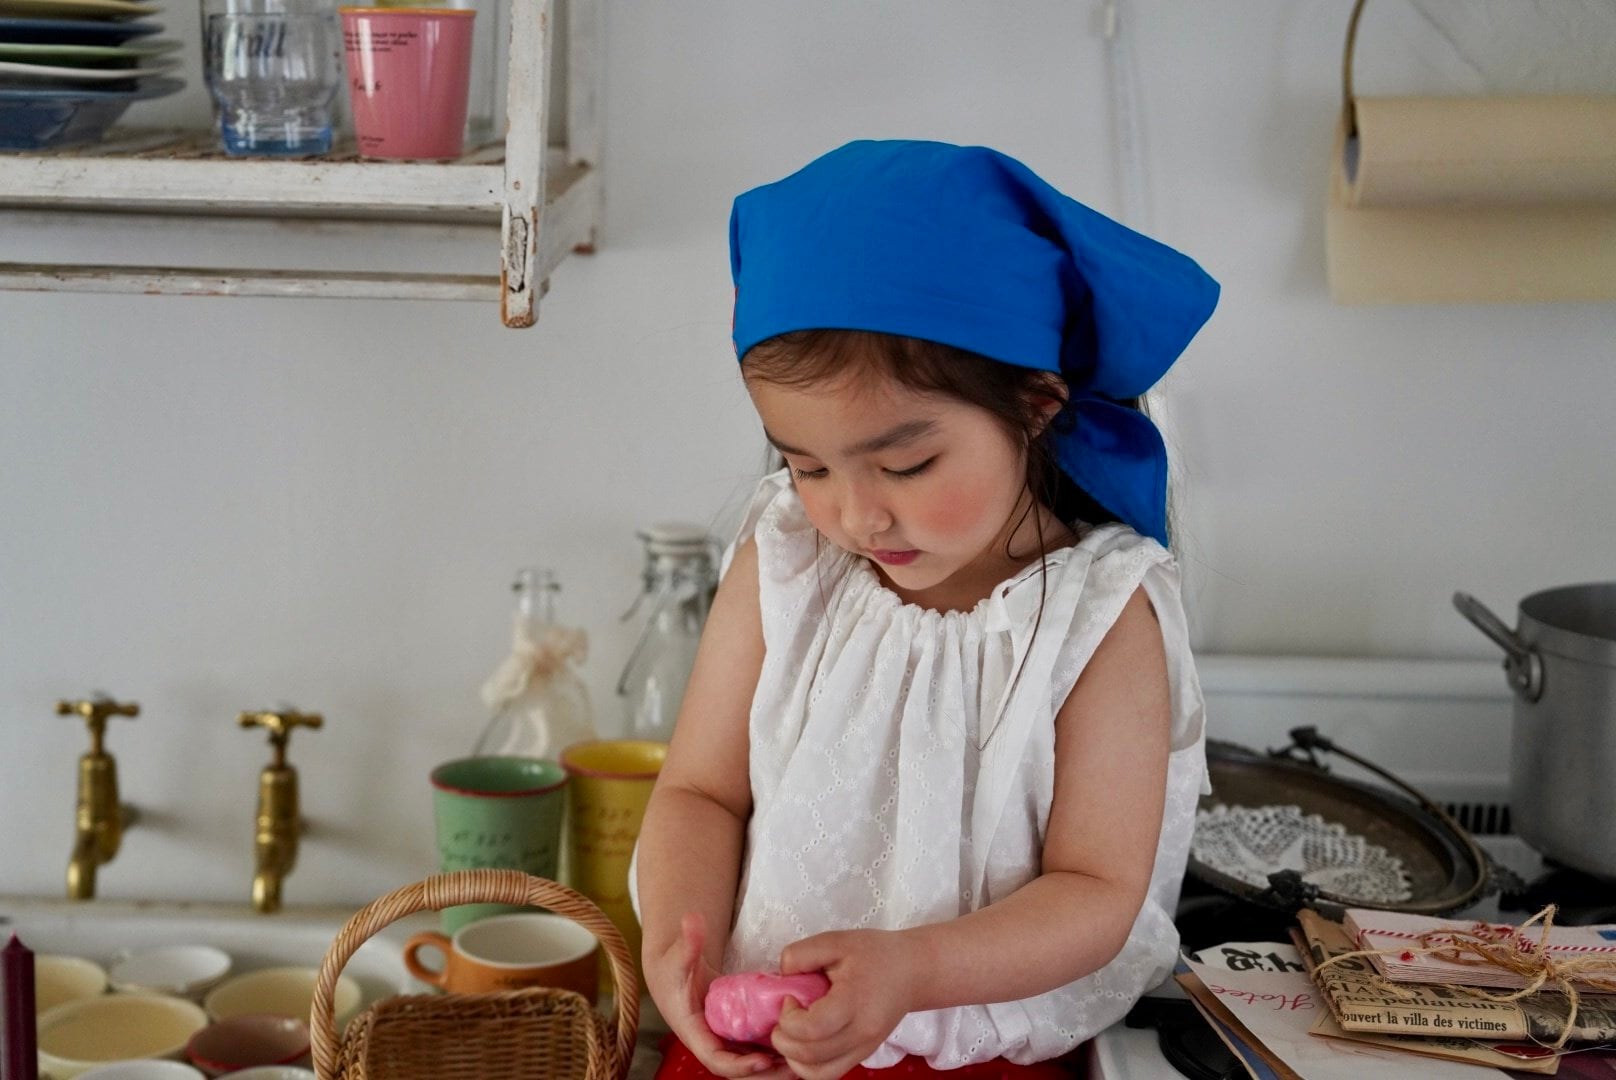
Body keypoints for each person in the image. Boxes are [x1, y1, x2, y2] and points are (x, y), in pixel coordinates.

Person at [633, 139, 1220, 1080]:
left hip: (974, 1059)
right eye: (807, 465)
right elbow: (701, 793)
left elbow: (1097, 892)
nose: (855, 516)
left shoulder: (1099, 616)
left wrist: (911, 971)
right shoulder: (786, 557)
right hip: (756, 1050)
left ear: (1036, 404)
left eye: (906, 466)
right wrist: (676, 938)